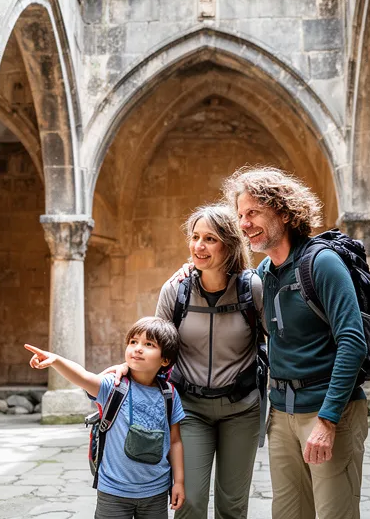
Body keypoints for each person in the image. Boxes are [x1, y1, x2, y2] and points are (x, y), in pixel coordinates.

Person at [224, 166, 368, 519]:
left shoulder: (322, 263)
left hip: (329, 412)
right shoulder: (264, 275)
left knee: (336, 513)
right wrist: (190, 272)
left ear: (285, 213)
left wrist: (328, 420)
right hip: (282, 414)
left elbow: (353, 342)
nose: (244, 224)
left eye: (253, 212)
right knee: (287, 513)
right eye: (241, 215)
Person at [105, 204, 265, 519]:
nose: (198, 246)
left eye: (209, 239)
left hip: (242, 408)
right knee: (189, 501)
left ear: (229, 244)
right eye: (194, 237)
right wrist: (127, 367)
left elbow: (275, 339)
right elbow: (154, 341)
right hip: (189, 408)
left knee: (233, 506)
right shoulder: (176, 289)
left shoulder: (252, 288)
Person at [24, 317, 186, 519]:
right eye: (133, 342)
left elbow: (175, 441)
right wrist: (56, 360)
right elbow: (83, 376)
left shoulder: (169, 394)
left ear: (165, 360)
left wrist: (178, 482)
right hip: (113, 491)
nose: (137, 348)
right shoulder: (113, 385)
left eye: (149, 344)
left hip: (155, 491)